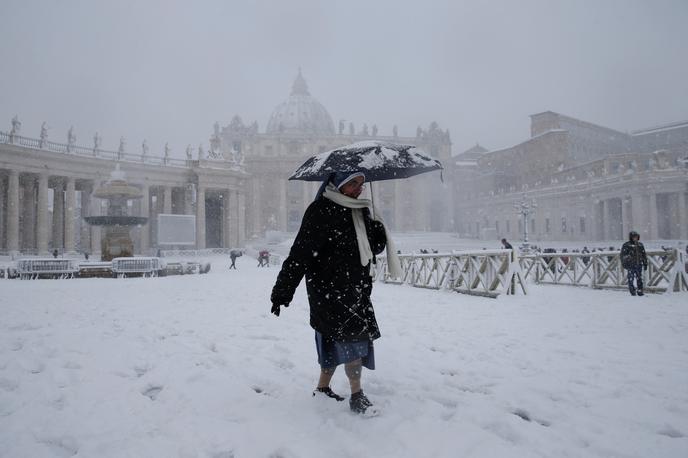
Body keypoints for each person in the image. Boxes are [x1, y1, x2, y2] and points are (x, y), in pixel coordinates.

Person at [270, 171, 400, 416]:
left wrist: (377, 229)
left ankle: (322, 388)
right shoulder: (320, 211)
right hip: (328, 290)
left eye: (361, 184)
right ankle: (356, 395)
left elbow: (373, 248)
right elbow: (300, 254)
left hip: (356, 289)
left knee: (334, 341)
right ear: (338, 184)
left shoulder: (360, 210)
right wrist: (282, 292)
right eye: (353, 183)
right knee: (351, 340)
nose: (359, 189)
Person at [621, 230, 648, 296]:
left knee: (639, 278)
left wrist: (645, 263)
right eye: (634, 237)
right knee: (631, 279)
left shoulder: (640, 245)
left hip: (639, 264)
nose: (635, 238)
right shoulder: (626, 245)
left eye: (636, 237)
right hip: (630, 265)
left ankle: (640, 290)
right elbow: (622, 256)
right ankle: (632, 291)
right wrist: (628, 258)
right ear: (631, 237)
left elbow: (644, 254)